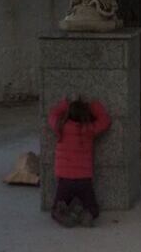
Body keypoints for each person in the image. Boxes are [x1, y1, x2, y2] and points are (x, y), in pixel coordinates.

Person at [48, 96, 111, 227]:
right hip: (84, 180)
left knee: (56, 207)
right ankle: (86, 215)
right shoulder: (88, 130)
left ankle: (62, 214)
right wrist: (94, 106)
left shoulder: (60, 128)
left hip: (65, 180)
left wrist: (64, 105)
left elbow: (52, 115)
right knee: (92, 207)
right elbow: (105, 120)